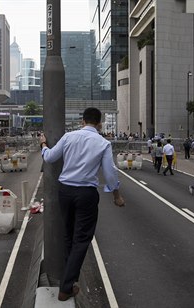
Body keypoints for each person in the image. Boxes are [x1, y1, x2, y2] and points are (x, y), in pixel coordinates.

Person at [39, 107, 125, 302]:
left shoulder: (69, 137)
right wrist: (116, 195)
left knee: (69, 236)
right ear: (100, 123)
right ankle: (66, 286)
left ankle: (71, 279)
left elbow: (50, 157)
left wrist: (43, 145)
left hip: (65, 191)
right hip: (86, 193)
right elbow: (110, 173)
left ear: (82, 121)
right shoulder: (103, 143)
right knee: (82, 239)